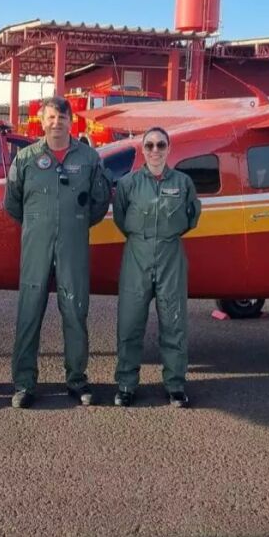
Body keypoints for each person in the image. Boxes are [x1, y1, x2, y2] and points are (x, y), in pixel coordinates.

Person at [4, 96, 112, 408]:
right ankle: (24, 383)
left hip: (73, 244)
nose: (57, 123)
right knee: (28, 313)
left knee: (76, 311)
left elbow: (99, 201)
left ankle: (77, 380)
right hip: (36, 244)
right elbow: (13, 203)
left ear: (71, 120)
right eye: (51, 117)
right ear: (41, 120)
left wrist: (73, 224)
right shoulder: (25, 158)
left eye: (62, 117)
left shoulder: (90, 158)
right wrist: (39, 224)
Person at [112, 127, 201, 408]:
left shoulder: (184, 182)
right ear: (142, 149)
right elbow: (121, 217)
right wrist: (142, 238)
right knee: (130, 323)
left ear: (169, 148)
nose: (154, 150)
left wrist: (164, 236)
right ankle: (126, 384)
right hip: (136, 255)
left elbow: (191, 217)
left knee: (174, 322)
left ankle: (175, 385)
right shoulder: (128, 184)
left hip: (170, 254)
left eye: (160, 145)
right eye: (149, 145)